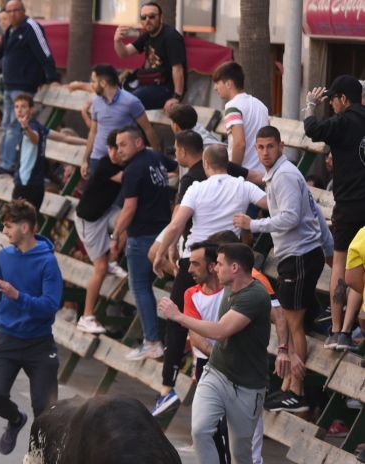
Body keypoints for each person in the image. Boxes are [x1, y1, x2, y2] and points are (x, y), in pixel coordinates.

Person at [158, 242, 271, 464]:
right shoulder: (228, 289)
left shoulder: (254, 295)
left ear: (235, 268)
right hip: (217, 373)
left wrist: (178, 316)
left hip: (248, 385)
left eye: (219, 263)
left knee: (240, 449)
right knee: (200, 429)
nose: (215, 268)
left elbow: (221, 331)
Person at [148, 140, 262, 414]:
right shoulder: (242, 185)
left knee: (178, 319)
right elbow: (271, 201)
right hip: (227, 261)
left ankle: (167, 387)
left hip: (197, 258)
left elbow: (177, 224)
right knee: (227, 318)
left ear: (206, 164)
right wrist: (255, 224)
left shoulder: (197, 187)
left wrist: (162, 252)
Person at [233, 127, 331, 396]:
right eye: (261, 147)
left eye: (270, 146)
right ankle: (290, 383)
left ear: (281, 146)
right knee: (295, 321)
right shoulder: (277, 174)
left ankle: (296, 388)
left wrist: (253, 223)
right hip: (297, 256)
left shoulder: (285, 174)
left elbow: (291, 218)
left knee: (294, 323)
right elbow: (312, 210)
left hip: (300, 256)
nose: (266, 152)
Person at [0, 200, 62, 453]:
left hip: (39, 342)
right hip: (8, 337)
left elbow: (51, 305)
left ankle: (40, 458)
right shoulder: (5, 256)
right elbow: (1, 296)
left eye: (8, 226)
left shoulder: (48, 262)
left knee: (45, 408)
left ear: (25, 227)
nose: (4, 231)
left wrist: (19, 296)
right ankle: (15, 419)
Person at [302, 75, 365, 351]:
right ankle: (350, 328)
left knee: (341, 264)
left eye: (334, 100)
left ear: (343, 99)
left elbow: (312, 128)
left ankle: (338, 329)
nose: (333, 106)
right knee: (361, 268)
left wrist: (311, 104)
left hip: (349, 206)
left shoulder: (344, 121)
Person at [110, 125, 176, 364]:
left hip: (141, 237)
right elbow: (176, 168)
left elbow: (129, 209)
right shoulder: (155, 158)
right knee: (160, 284)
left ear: (139, 143)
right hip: (163, 233)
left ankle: (152, 342)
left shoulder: (133, 170)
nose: (119, 150)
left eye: (123, 144)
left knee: (140, 287)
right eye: (117, 146)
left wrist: (115, 235)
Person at [0, 1, 57, 175]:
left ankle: (7, 164)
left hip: (23, 85)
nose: (12, 14)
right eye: (9, 11)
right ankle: (3, 162)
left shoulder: (31, 27)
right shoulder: (10, 30)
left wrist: (52, 78)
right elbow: (3, 54)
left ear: (23, 11)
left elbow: (45, 52)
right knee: (6, 125)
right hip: (9, 84)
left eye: (16, 11)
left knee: (15, 125)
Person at [73, 131, 126, 337]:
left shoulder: (127, 161)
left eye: (119, 149)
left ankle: (113, 260)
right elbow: (130, 178)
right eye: (112, 149)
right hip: (89, 220)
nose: (115, 153)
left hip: (106, 211)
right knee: (100, 268)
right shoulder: (105, 164)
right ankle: (86, 316)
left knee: (127, 222)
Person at [112, 0, 186, 110]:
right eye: (144, 17)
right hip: (148, 83)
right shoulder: (147, 35)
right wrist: (117, 40)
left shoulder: (171, 37)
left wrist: (177, 97)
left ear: (161, 18)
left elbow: (178, 69)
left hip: (166, 88)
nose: (147, 20)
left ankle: (143, 128)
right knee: (114, 94)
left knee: (130, 101)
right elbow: (124, 53)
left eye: (152, 16)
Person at [82, 65, 153, 175]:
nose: (92, 84)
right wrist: (85, 160)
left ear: (103, 83)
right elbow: (93, 132)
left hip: (121, 160)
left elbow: (148, 129)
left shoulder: (131, 101)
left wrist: (157, 157)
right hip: (98, 158)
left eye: (94, 81)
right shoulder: (96, 101)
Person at [213, 62, 270, 181]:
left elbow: (239, 143)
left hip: (245, 177)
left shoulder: (232, 106)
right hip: (263, 175)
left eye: (218, 83)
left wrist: (232, 174)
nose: (215, 88)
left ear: (228, 84)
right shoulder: (260, 105)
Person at [8, 93, 49, 208]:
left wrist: (26, 128)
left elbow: (35, 138)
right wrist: (86, 142)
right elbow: (63, 137)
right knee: (30, 222)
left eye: (23, 106)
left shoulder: (31, 126)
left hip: (26, 184)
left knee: (15, 220)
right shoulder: (38, 126)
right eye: (16, 107)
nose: (19, 110)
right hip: (36, 184)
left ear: (31, 109)